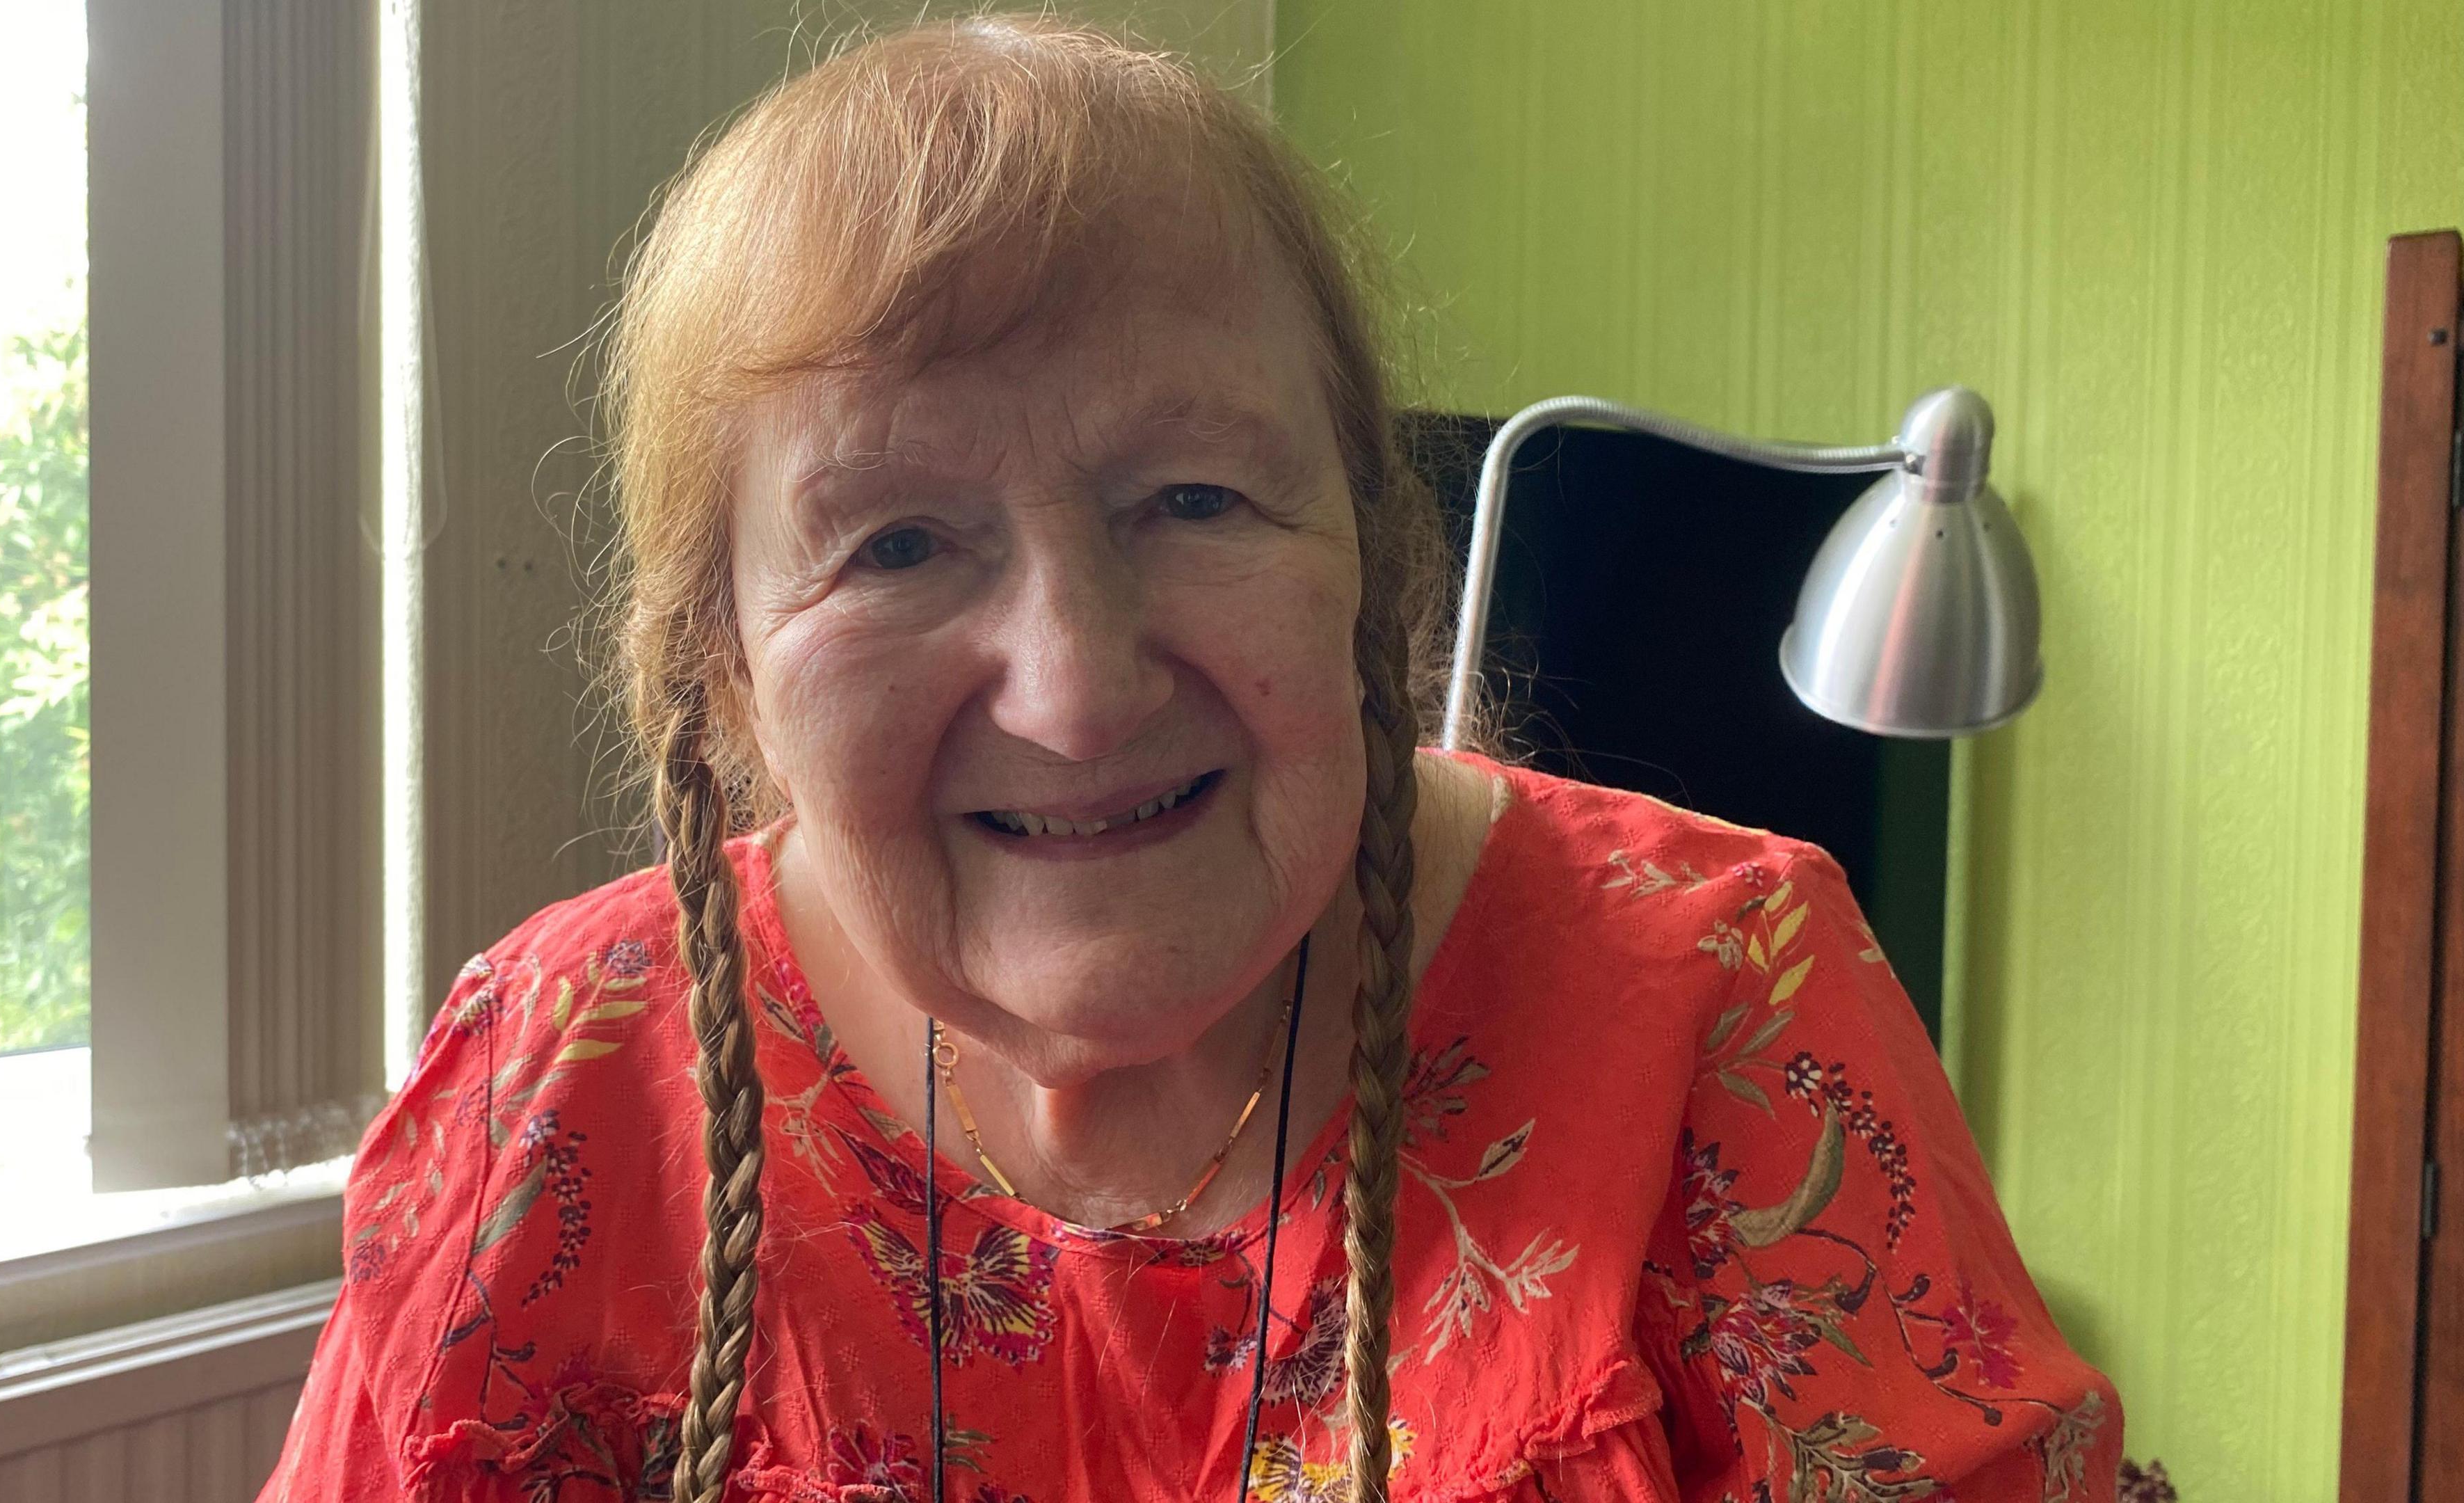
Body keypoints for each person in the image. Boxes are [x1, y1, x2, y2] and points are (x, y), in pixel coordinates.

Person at [262, 17, 2120, 1502]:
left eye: (1195, 498)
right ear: (728, 678)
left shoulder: (1724, 996)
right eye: (898, 544)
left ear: (1373, 576)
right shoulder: (560, 1080)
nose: (1077, 689)